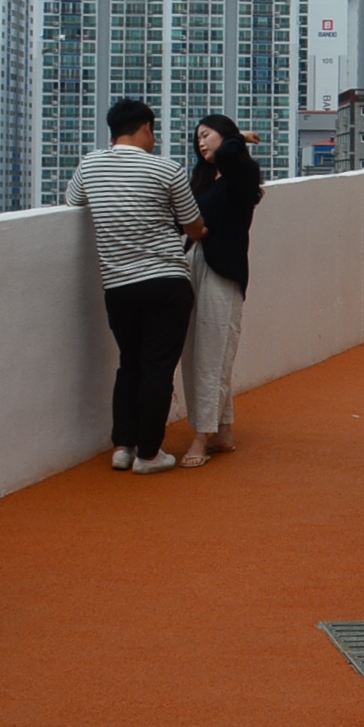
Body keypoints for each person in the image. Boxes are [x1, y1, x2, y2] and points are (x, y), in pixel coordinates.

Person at [68, 99, 205, 475]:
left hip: (119, 286)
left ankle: (123, 447)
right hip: (166, 282)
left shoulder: (90, 164)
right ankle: (149, 454)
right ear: (145, 127)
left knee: (129, 363)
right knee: (157, 368)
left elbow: (73, 200)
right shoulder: (166, 169)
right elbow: (193, 226)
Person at [179, 113, 261, 468]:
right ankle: (223, 429)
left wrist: (237, 137)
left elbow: (229, 154)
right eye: (197, 137)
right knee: (194, 351)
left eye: (207, 134)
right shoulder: (202, 179)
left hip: (223, 269)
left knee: (214, 352)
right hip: (193, 262)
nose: (201, 142)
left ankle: (201, 436)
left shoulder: (240, 174)